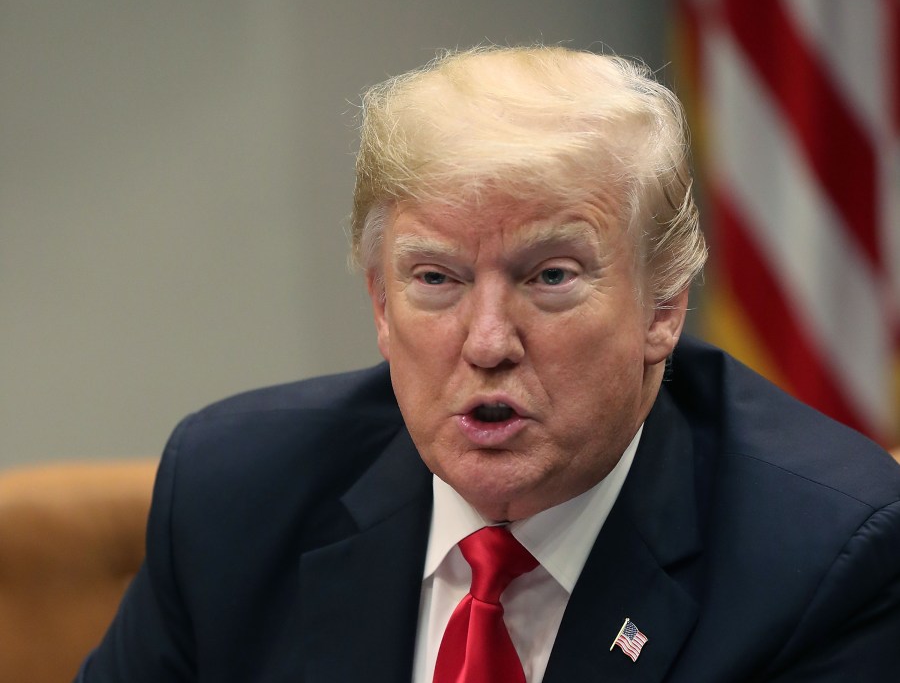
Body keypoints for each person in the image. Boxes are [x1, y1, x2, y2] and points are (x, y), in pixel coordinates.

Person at [76, 46, 900, 682]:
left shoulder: (826, 556)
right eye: (436, 279)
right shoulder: (233, 494)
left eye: (549, 278)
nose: (487, 341)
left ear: (663, 307)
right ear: (379, 302)